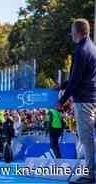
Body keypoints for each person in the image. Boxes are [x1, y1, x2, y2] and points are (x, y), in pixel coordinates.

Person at [56, 18, 96, 184]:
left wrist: (62, 100)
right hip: (91, 97)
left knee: (86, 137)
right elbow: (80, 75)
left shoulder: (81, 50)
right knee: (88, 135)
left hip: (84, 99)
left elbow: (76, 80)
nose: (70, 33)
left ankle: (91, 173)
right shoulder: (91, 47)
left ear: (77, 31)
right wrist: (63, 84)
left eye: (72, 30)